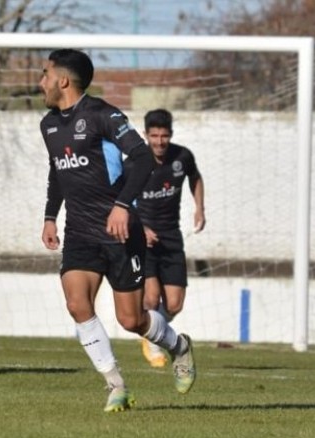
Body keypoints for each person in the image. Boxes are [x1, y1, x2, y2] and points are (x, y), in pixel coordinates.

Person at [39, 49, 196, 413]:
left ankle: (179, 346)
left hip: (121, 234)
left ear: (63, 80)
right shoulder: (48, 125)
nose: (41, 82)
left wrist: (123, 206)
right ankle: (116, 385)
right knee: (77, 304)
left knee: (131, 319)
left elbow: (142, 158)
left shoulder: (103, 115)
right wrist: (50, 216)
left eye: (45, 74)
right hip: (80, 233)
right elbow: (57, 171)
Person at [137, 109, 206, 368]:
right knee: (151, 298)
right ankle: (153, 343)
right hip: (143, 240)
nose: (159, 142)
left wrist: (199, 208)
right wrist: (140, 228)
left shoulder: (182, 157)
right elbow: (120, 200)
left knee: (174, 304)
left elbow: (195, 179)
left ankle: (150, 330)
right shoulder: (134, 162)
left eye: (164, 136)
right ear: (145, 135)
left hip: (171, 237)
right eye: (154, 136)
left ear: (171, 135)